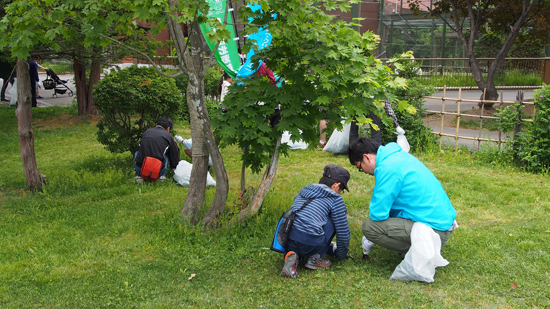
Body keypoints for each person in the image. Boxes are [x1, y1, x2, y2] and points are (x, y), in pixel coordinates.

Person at [348, 138, 457, 258]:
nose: (363, 172)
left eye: (360, 167)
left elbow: (378, 213)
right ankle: (423, 247)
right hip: (442, 223)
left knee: (370, 228)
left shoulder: (387, 168)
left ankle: (425, 252)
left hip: (436, 232)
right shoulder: (397, 156)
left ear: (366, 157)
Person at [281, 164, 351, 278]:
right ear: (335, 185)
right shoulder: (335, 199)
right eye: (341, 189)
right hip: (309, 242)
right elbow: (343, 232)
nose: (340, 193)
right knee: (335, 220)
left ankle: (293, 254)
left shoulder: (305, 190)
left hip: (287, 239)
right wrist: (341, 254)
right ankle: (314, 257)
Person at [134, 117, 180, 183]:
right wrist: (173, 167)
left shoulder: (147, 132)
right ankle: (161, 176)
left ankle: (139, 176)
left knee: (137, 152)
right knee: (166, 154)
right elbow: (175, 153)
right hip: (158, 169)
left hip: (141, 168)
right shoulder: (168, 136)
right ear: (168, 128)